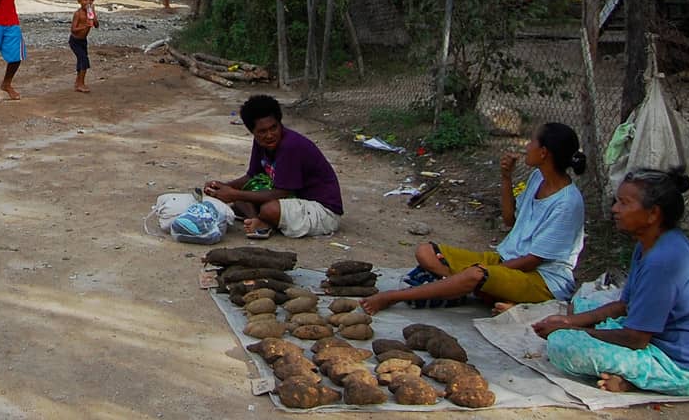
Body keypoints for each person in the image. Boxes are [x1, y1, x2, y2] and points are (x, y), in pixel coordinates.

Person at [537, 170, 689, 396]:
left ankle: (634, 380)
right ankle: (625, 374)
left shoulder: (662, 261)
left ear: (653, 214)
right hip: (677, 347)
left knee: (562, 345)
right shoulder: (649, 244)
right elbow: (624, 305)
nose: (615, 209)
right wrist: (570, 319)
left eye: (624, 203)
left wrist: (570, 328)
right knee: (582, 304)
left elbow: (635, 339)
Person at [361, 123, 588, 315]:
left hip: (542, 280)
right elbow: (509, 220)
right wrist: (506, 178)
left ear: (544, 153)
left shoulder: (568, 203)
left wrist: (487, 271)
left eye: (532, 142)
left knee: (476, 274)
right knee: (426, 251)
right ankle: (469, 287)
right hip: (506, 260)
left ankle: (394, 297)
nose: (527, 147)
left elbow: (532, 261)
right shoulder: (537, 177)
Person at [203, 95, 343, 239]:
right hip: (294, 199)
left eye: (274, 127)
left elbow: (282, 192)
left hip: (323, 211)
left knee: (268, 209)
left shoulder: (291, 145)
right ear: (253, 132)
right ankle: (258, 221)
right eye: (262, 131)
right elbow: (252, 176)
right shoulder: (261, 142)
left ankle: (263, 221)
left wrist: (233, 194)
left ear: (280, 123)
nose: (270, 135)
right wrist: (222, 187)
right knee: (241, 194)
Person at [69, 0, 98, 94]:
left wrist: (94, 17)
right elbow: (73, 29)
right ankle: (81, 83)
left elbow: (97, 25)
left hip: (83, 41)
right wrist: (84, 26)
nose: (88, 2)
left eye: (90, 0)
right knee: (84, 61)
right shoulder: (78, 14)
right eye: (85, 0)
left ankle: (78, 82)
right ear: (79, 1)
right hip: (75, 41)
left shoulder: (90, 13)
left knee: (81, 61)